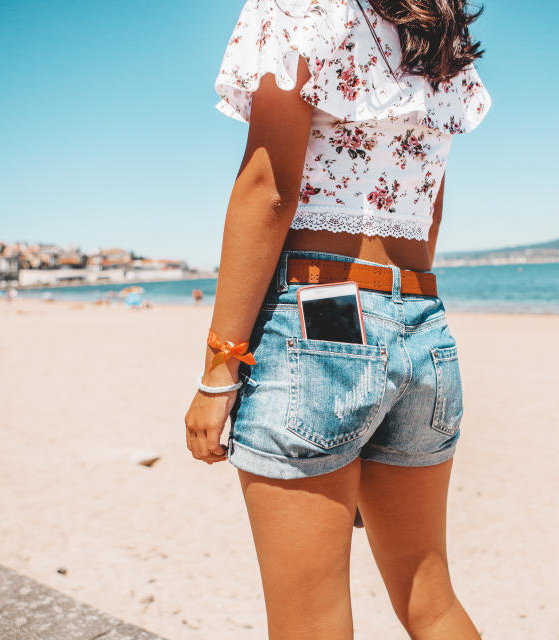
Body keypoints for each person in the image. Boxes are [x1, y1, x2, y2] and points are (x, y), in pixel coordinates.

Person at [184, 1, 490, 637]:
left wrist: (219, 369)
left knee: (310, 624)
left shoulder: (298, 8)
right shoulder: (436, 31)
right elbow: (427, 212)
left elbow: (269, 192)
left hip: (320, 316)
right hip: (422, 321)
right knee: (430, 601)